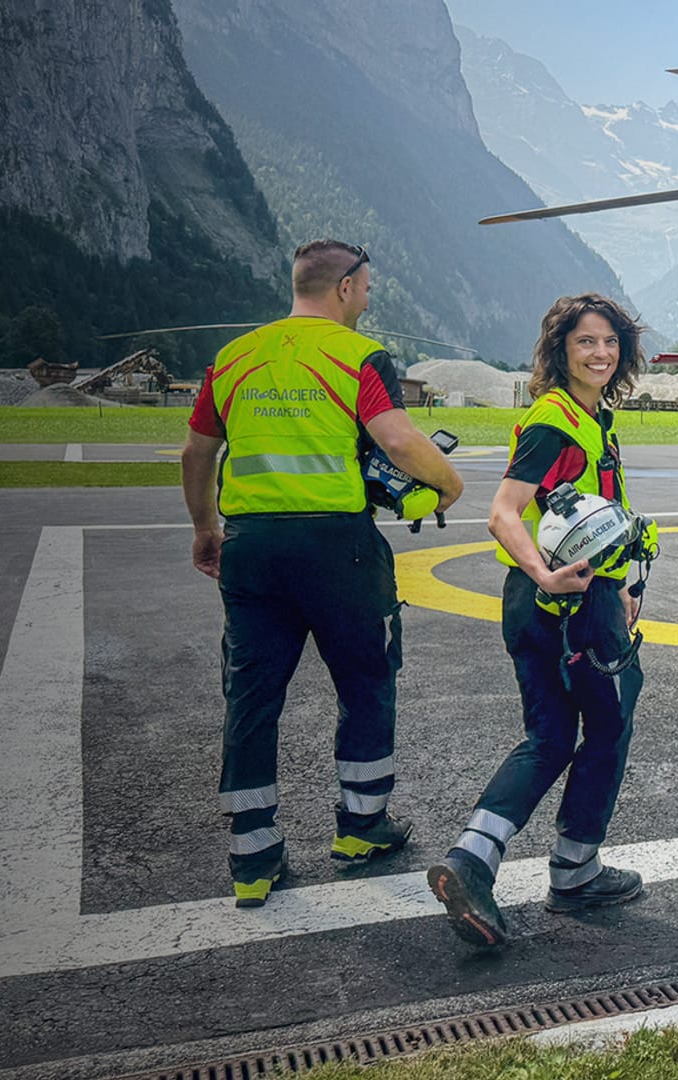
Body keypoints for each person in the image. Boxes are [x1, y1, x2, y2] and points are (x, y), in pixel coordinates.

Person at [181, 239, 464, 908]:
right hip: (339, 548)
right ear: (344, 288)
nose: (367, 300)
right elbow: (395, 439)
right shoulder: (358, 357)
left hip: (251, 546)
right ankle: (361, 828)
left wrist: (203, 529)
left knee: (252, 697)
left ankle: (252, 856)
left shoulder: (234, 358)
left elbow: (197, 452)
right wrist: (448, 486)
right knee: (366, 682)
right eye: (365, 289)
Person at [426, 293, 650, 947]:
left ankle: (473, 861)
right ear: (561, 351)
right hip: (564, 608)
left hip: (555, 603)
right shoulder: (556, 422)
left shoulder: (591, 420)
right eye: (586, 342)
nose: (600, 353)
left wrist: (618, 583)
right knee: (608, 725)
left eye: (609, 342)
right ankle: (575, 873)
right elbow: (502, 511)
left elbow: (588, 518)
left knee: (550, 737)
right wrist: (549, 576)